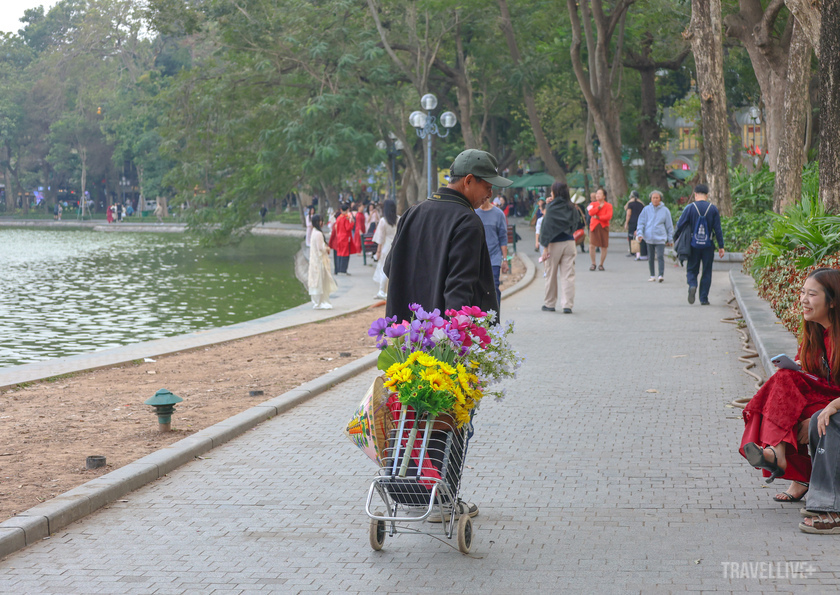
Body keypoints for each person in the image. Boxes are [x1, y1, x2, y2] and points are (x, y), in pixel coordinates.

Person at [384, 148, 512, 522]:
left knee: (410, 416)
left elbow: (392, 267)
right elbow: (459, 293)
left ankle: (407, 491)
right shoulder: (467, 222)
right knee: (450, 419)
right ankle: (440, 501)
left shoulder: (414, 213)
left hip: (408, 341)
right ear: (468, 181)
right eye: (486, 185)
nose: (489, 194)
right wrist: (457, 346)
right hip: (445, 344)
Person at [741, 268, 840, 505]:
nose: (804, 300)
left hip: (836, 402)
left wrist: (826, 411)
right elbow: (813, 372)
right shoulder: (814, 331)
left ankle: (784, 460)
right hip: (825, 395)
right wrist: (799, 366)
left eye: (812, 294)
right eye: (803, 292)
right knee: (783, 386)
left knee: (783, 393)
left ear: (833, 301)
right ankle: (783, 458)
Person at [675, 183, 725, 305]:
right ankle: (704, 298)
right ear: (707, 195)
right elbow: (718, 229)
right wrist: (721, 246)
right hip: (708, 245)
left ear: (695, 194)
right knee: (707, 271)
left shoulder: (690, 208)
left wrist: (675, 238)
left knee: (692, 268)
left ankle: (692, 284)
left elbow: (680, 225)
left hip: (693, 245)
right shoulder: (713, 209)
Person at [539, 182, 582, 314]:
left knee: (551, 274)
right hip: (569, 242)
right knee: (568, 275)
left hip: (554, 244)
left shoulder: (551, 207)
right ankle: (567, 305)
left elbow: (546, 226)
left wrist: (545, 246)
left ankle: (550, 303)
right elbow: (576, 223)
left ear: (555, 192)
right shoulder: (572, 206)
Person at [475, 192, 509, 318]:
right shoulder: (474, 212)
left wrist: (504, 260)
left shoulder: (498, 214)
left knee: (494, 286)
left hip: (494, 257)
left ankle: (495, 316)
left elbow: (503, 238)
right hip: (477, 257)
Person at [634, 190, 673, 283]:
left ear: (660, 199)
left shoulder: (665, 210)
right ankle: (652, 275)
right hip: (649, 238)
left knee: (660, 256)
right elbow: (641, 222)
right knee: (650, 257)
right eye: (653, 198)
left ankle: (660, 275)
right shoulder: (646, 209)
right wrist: (640, 233)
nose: (655, 200)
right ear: (650, 199)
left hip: (660, 238)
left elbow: (669, 226)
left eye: (657, 198)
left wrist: (670, 238)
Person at [307, 214, 337, 310]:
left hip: (315, 260)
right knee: (321, 280)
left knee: (318, 280)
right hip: (319, 261)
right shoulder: (318, 233)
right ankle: (321, 301)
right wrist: (327, 248)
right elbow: (321, 248)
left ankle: (318, 301)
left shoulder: (314, 232)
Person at [372, 199, 398, 300]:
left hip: (386, 246)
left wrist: (378, 251)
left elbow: (380, 238)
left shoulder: (383, 221)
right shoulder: (398, 219)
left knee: (384, 269)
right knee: (393, 269)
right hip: (396, 246)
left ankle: (381, 291)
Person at [586, 187, 612, 270]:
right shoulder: (592, 204)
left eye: (599, 193)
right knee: (592, 245)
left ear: (604, 196)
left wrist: (598, 217)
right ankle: (593, 263)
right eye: (597, 193)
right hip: (594, 226)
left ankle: (601, 264)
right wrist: (599, 207)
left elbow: (608, 216)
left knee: (604, 246)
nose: (597, 195)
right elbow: (590, 212)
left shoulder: (608, 205)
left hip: (604, 227)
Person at [328, 203, 354, 275]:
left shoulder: (339, 218)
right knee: (345, 254)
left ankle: (339, 269)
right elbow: (348, 228)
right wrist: (352, 222)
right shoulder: (345, 218)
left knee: (339, 254)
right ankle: (343, 270)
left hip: (339, 238)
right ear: (347, 210)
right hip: (345, 238)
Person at [624, 190, 646, 259]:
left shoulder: (630, 204)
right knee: (639, 235)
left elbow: (628, 213)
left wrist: (626, 223)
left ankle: (632, 251)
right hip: (640, 221)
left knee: (631, 236)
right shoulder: (641, 204)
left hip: (632, 222)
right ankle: (640, 251)